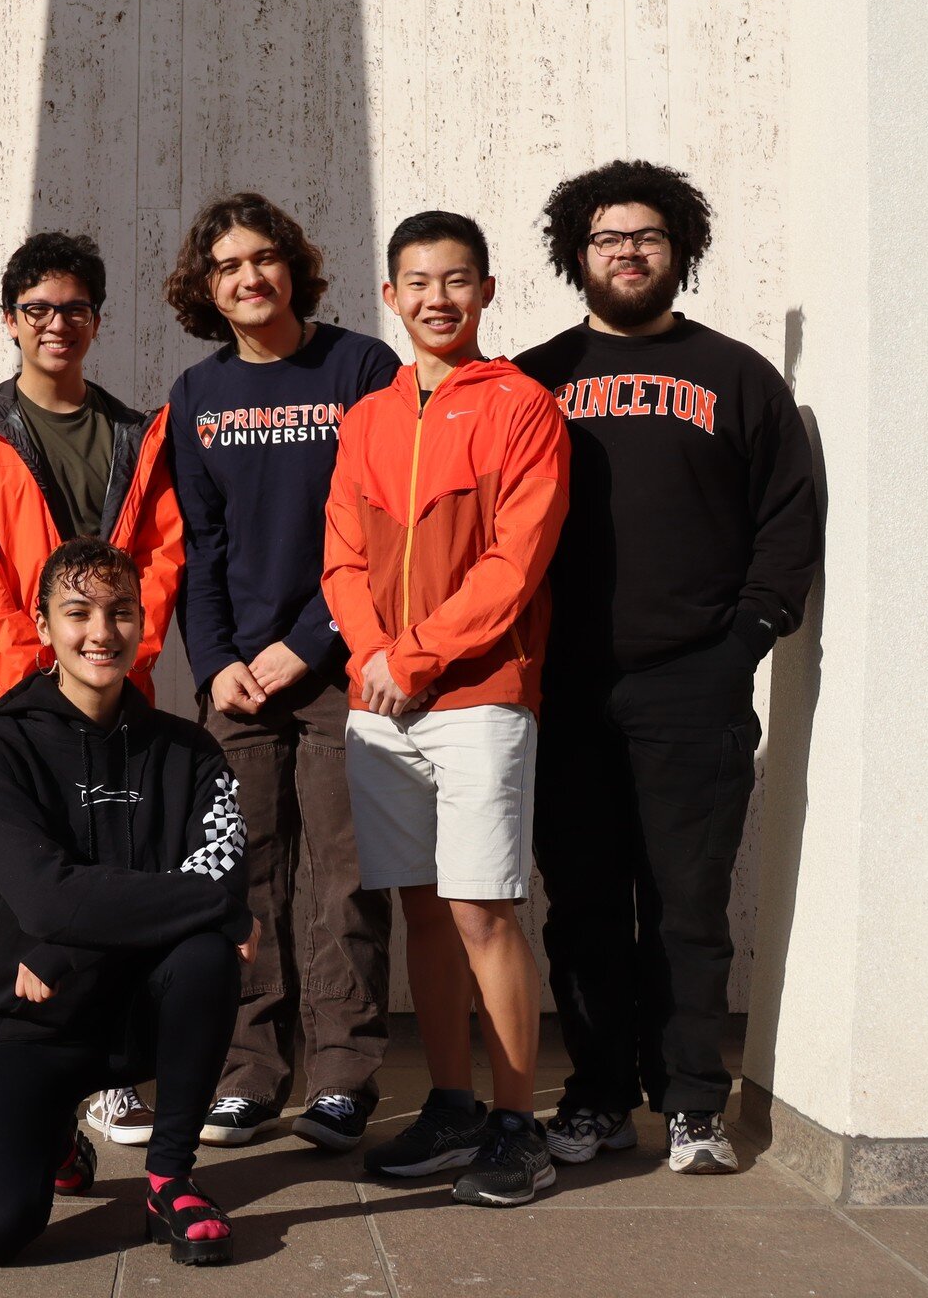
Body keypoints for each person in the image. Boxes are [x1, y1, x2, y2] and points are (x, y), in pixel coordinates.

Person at [515, 159, 820, 1175]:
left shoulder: (737, 377)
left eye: (647, 236)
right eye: (608, 238)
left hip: (693, 681)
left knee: (688, 908)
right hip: (565, 685)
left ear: (679, 249)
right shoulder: (534, 378)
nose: (629, 252)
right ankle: (599, 1093)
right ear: (577, 254)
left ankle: (692, 1102)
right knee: (587, 906)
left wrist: (743, 639)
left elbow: (787, 521)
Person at [324, 212, 570, 1206]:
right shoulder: (367, 418)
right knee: (422, 909)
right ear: (390, 296)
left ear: (487, 290)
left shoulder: (522, 406)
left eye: (456, 279)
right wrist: (375, 656)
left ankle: (521, 1124)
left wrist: (415, 656)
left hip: (479, 697)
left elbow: (517, 563)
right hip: (381, 699)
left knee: (483, 910)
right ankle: (455, 1105)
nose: (436, 298)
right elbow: (341, 556)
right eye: (417, 282)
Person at [0, 232, 184, 1146]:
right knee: (0, 891)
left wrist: (117, 664)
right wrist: (36, 688)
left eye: (73, 308)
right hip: (0, 708)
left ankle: (109, 1070)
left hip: (114, 701)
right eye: (37, 309)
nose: (56, 324)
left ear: (96, 320)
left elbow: (158, 560)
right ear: (10, 321)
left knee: (118, 877)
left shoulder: (135, 431)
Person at [0, 537, 257, 1267]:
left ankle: (170, 1179)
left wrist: (70, 935)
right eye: (79, 612)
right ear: (43, 622)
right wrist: (66, 930)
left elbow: (221, 882)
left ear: (142, 620)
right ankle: (55, 1135)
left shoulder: (191, 751)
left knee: (208, 954)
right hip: (34, 1021)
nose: (102, 632)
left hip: (142, 1014)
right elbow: (46, 896)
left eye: (121, 612)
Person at [165, 193, 399, 1151]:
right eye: (227, 267)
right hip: (238, 686)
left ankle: (343, 1075)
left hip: (337, 665)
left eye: (264, 258)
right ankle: (249, 1074)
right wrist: (216, 661)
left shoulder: (359, 368)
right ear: (207, 289)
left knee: (342, 880)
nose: (249, 277)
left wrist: (310, 642)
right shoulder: (199, 395)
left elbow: (386, 529)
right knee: (242, 881)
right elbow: (199, 544)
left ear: (294, 266)